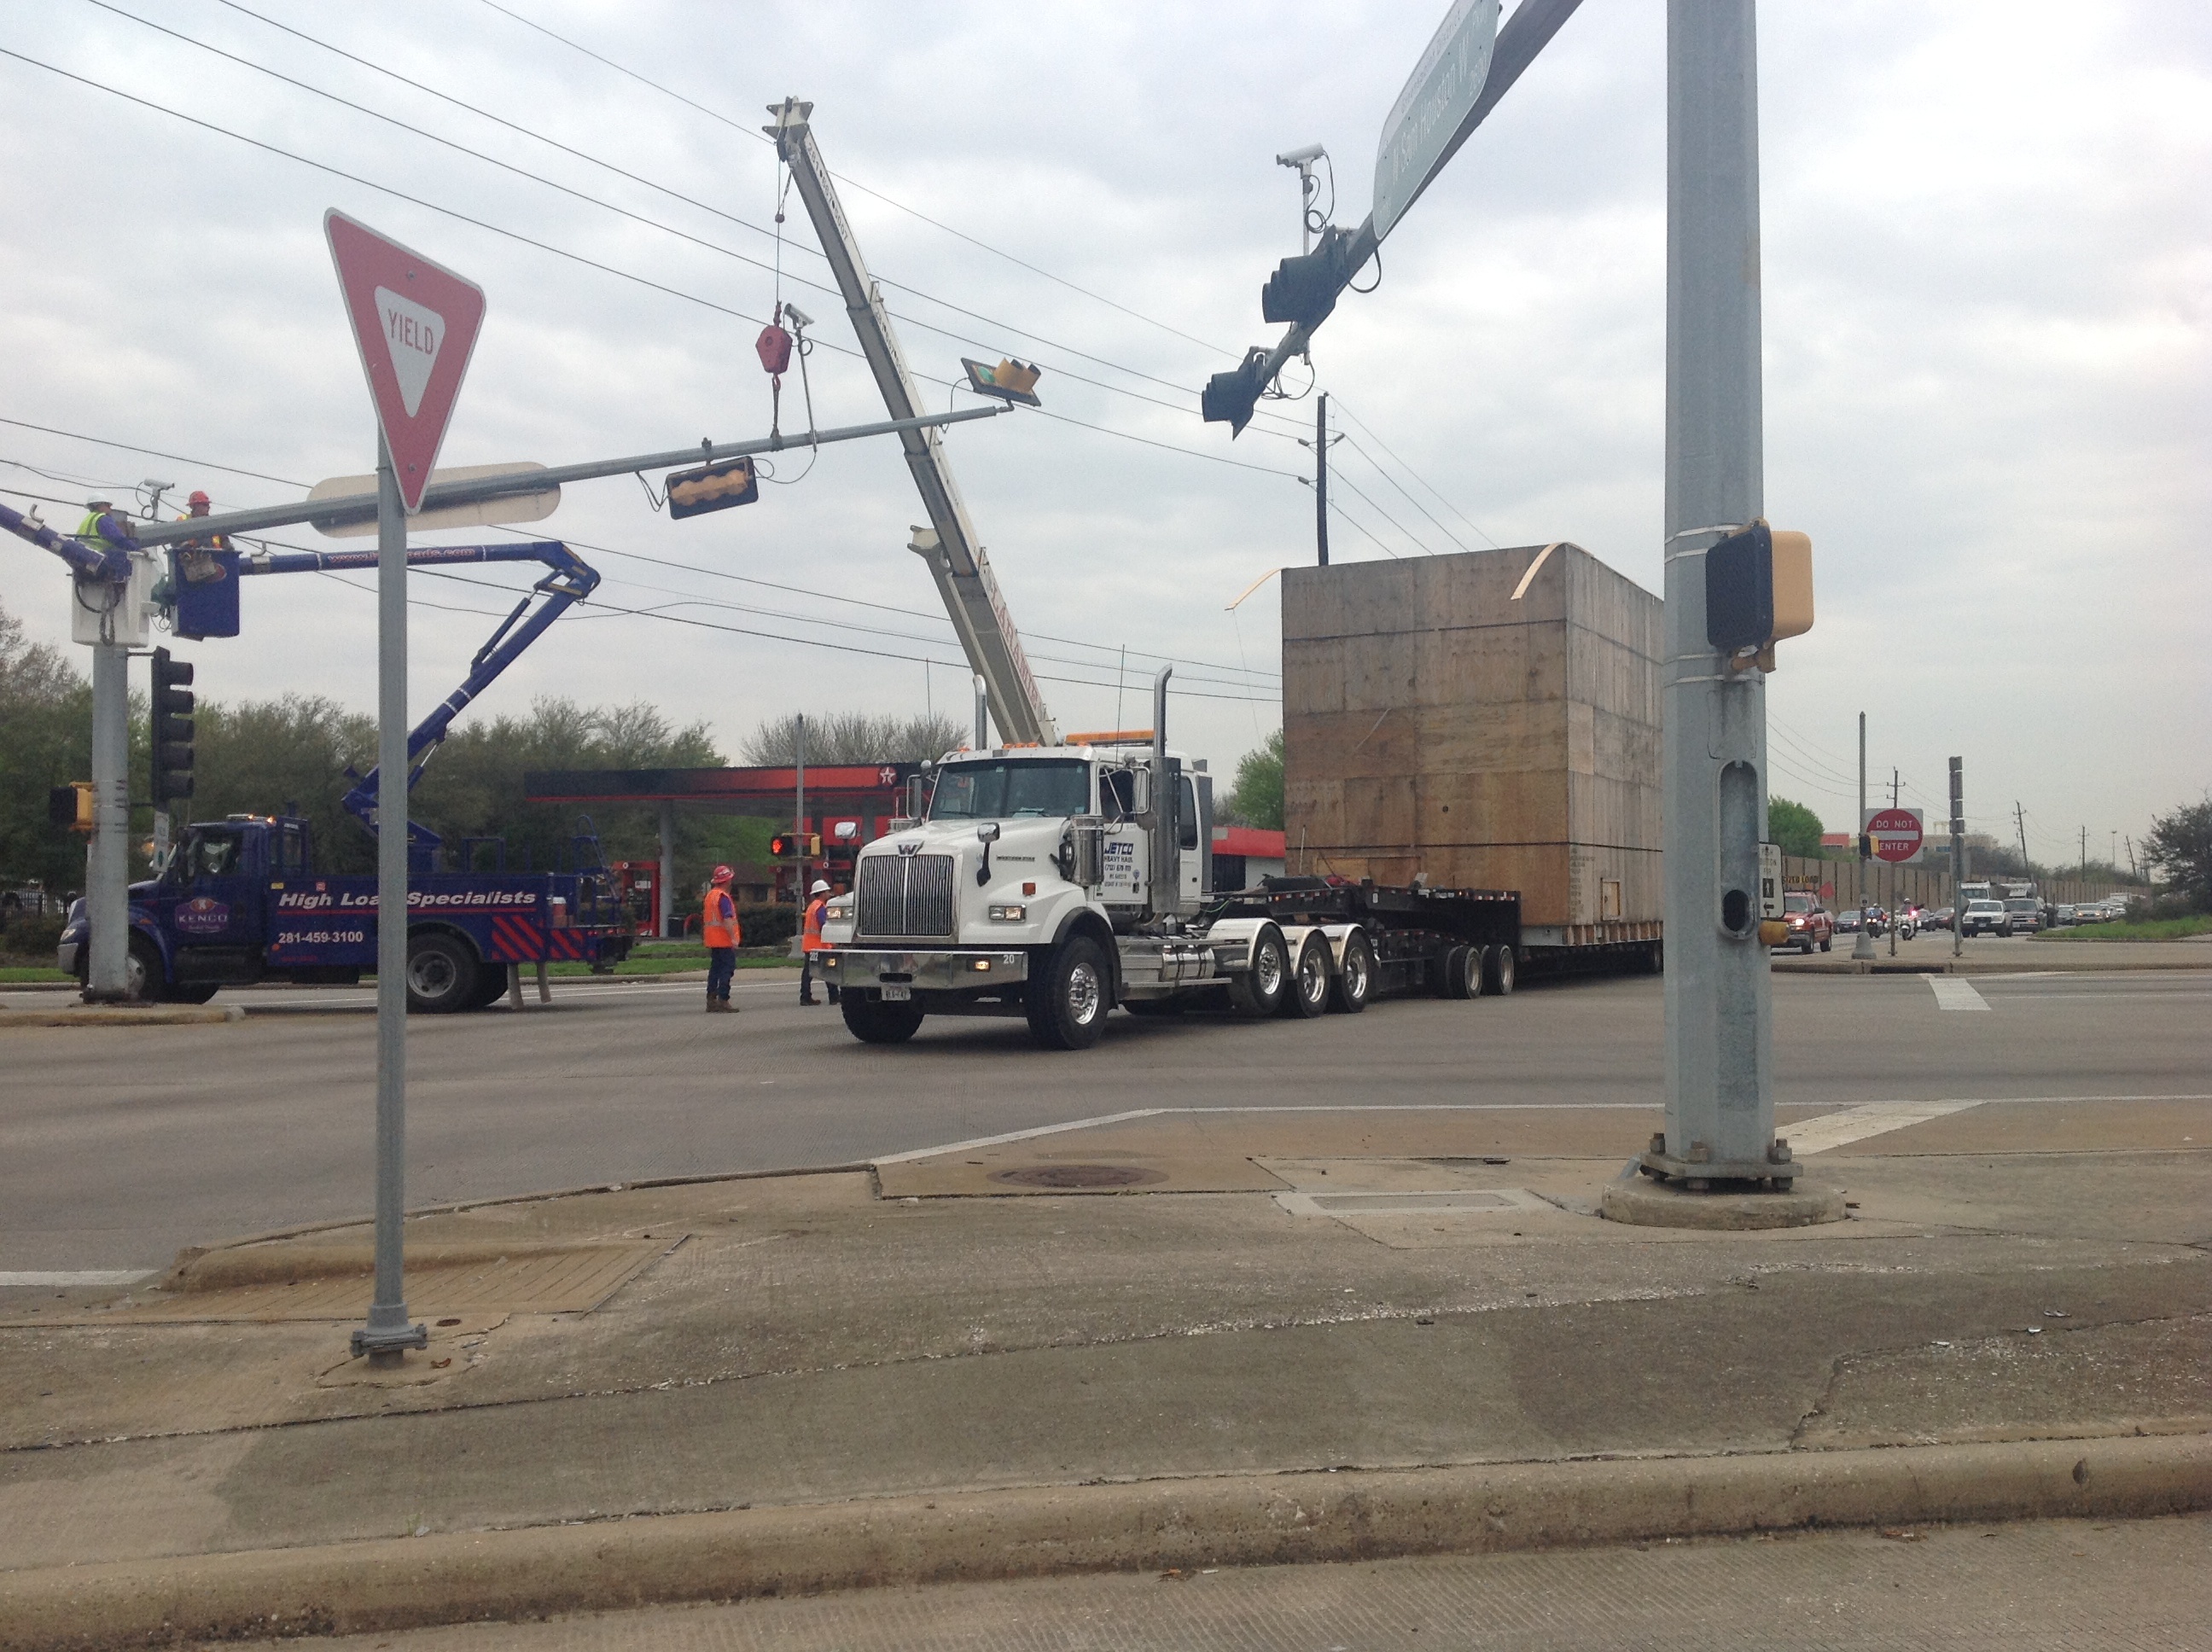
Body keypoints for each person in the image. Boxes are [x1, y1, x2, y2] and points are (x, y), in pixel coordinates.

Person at [701, 865, 741, 1013]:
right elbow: (727, 919)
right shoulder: (723, 897)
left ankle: (711, 1000)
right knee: (727, 969)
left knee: (715, 970)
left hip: (713, 940)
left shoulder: (711, 896)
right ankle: (723, 999)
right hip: (724, 940)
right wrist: (733, 938)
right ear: (727, 880)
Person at [800, 878, 840, 1006]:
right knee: (830, 972)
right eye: (827, 892)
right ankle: (834, 997)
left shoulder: (812, 907)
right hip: (820, 946)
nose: (829, 894)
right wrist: (834, 943)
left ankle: (805, 997)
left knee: (808, 973)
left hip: (810, 946)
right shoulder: (821, 908)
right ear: (822, 893)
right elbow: (824, 927)